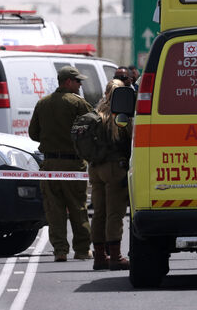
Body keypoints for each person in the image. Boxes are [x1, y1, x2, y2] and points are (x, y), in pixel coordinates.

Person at [29, 66, 93, 262]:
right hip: (73, 164)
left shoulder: (43, 103)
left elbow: (33, 134)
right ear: (67, 82)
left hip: (49, 165)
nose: (80, 85)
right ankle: (82, 249)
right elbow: (93, 129)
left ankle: (60, 251)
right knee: (78, 207)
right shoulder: (78, 104)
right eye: (77, 81)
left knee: (54, 209)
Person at [89, 79, 132, 270]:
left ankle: (99, 257)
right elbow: (130, 140)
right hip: (114, 168)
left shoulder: (95, 113)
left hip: (95, 168)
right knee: (114, 214)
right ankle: (115, 256)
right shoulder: (120, 116)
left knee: (99, 213)